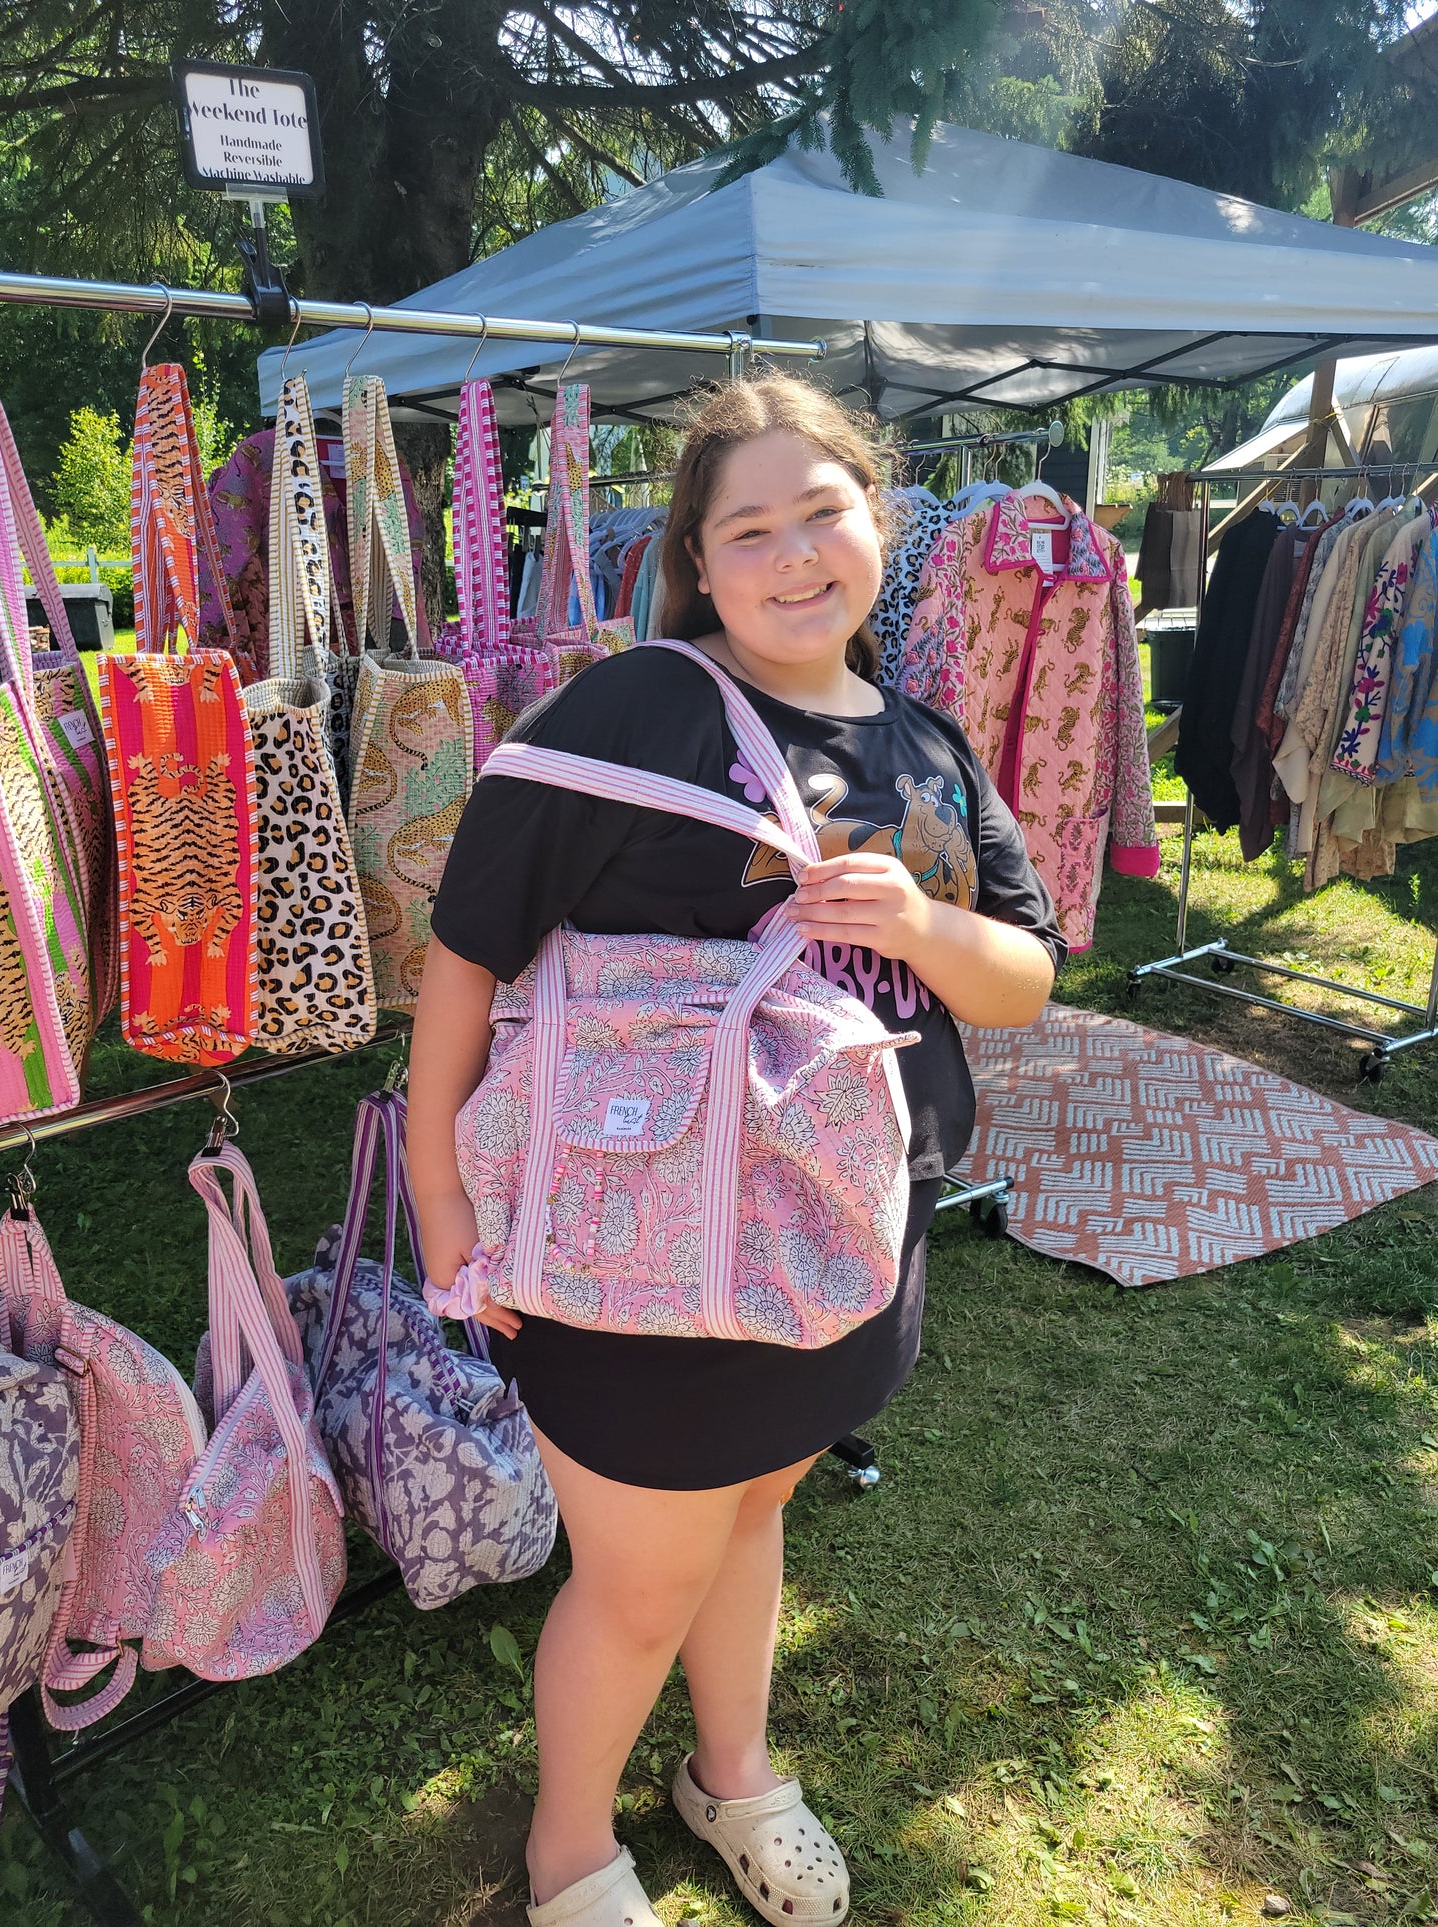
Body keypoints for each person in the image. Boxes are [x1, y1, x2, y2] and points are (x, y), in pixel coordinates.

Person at [407, 375, 1065, 1927]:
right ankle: (569, 1856)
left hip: (849, 1232)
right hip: (637, 1253)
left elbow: (1024, 980)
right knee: (638, 1587)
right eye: (746, 530)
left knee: (758, 1507)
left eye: (820, 513)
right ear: (696, 563)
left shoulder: (926, 742)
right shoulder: (631, 713)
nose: (790, 556)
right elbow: (466, 951)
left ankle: (733, 1771)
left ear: (877, 523)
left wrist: (923, 927)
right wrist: (442, 1199)